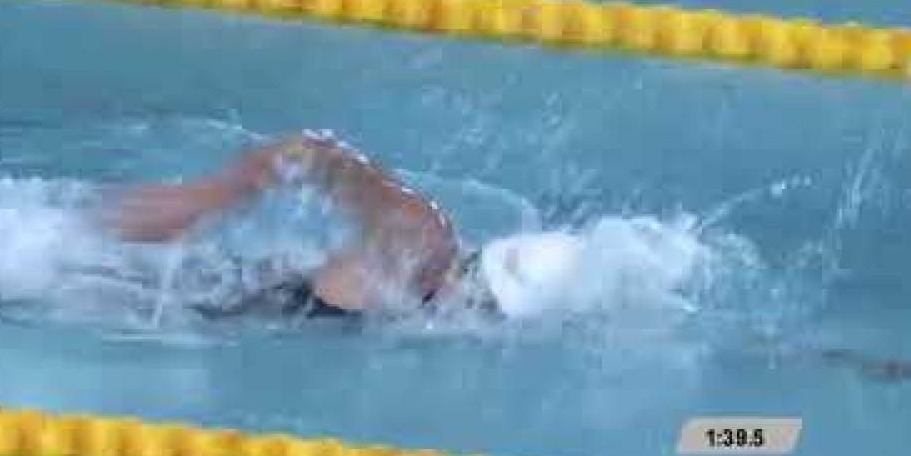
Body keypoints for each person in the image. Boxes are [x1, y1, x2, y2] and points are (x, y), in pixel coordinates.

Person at [107, 129, 586, 319]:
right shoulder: (422, 240)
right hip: (179, 290)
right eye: (486, 307)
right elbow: (313, 153)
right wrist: (203, 200)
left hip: (203, 315)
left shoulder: (418, 311)